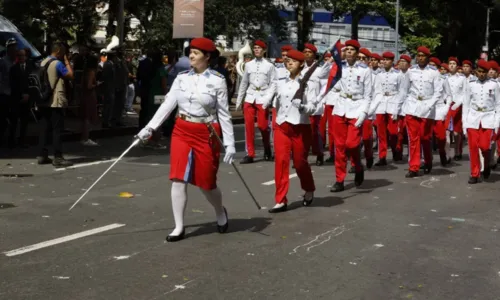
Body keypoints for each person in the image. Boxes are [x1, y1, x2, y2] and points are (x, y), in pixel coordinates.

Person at [136, 37, 236, 242]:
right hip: (182, 130)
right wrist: (150, 127)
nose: (191, 55)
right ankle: (179, 226)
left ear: (207, 57)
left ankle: (219, 211)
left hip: (206, 131)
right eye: (190, 52)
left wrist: (230, 143)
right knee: (178, 178)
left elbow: (224, 114)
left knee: (206, 183)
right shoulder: (181, 78)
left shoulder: (217, 80)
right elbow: (167, 105)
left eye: (196, 53)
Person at [268, 49, 319, 213]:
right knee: (281, 163)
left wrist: (303, 107)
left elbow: (313, 106)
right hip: (282, 126)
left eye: (293, 61)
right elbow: (277, 101)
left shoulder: (308, 82)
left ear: (301, 64)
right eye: (287, 60)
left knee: (300, 163)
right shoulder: (281, 80)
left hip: (300, 126)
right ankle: (280, 199)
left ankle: (308, 187)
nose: (289, 63)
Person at [330, 40, 372, 192]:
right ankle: (339, 179)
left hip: (356, 108)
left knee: (352, 144)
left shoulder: (365, 71)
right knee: (339, 146)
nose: (348, 51)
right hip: (341, 107)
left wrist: (364, 113)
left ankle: (358, 165)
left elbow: (368, 95)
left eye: (351, 49)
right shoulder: (338, 66)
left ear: (356, 52)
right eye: (346, 49)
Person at [401, 46, 442, 178]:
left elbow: (438, 92)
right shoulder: (410, 71)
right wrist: (401, 107)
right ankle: (413, 167)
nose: (420, 58)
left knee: (425, 137)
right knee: (413, 138)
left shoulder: (434, 72)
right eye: (418, 55)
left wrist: (430, 105)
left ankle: (428, 161)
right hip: (412, 106)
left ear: (427, 57)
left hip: (427, 106)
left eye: (423, 55)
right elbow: (404, 89)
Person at [236, 40, 276, 164]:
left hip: (263, 96)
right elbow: (244, 83)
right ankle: (250, 154)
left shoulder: (269, 66)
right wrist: (239, 100)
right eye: (255, 48)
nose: (257, 50)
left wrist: (268, 99)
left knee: (263, 126)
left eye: (259, 48)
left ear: (264, 50)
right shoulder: (249, 65)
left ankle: (267, 148)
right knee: (248, 127)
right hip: (250, 96)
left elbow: (273, 84)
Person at [463, 59, 500, 184]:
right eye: (480, 71)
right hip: (473, 118)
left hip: (488, 117)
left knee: (484, 146)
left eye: (484, 72)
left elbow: (498, 105)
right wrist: (465, 122)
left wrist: (496, 123)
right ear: (476, 71)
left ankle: (488, 160)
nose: (482, 74)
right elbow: (466, 104)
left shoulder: (494, 84)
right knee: (473, 147)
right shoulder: (471, 84)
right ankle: (475, 174)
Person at [37, 42, 74, 167]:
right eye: (63, 51)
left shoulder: (42, 62)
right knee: (57, 129)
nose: (64, 54)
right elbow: (70, 75)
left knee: (44, 128)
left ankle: (42, 155)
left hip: (43, 99)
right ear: (58, 51)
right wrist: (67, 62)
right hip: (55, 100)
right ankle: (58, 157)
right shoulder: (57, 64)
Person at [369, 51, 407, 165]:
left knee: (393, 132)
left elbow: (402, 92)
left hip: (393, 102)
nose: (384, 62)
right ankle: (382, 156)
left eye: (387, 60)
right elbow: (376, 91)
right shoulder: (378, 75)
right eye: (383, 60)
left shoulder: (398, 74)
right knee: (381, 132)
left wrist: (398, 107)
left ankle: (396, 150)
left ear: (392, 61)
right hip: (381, 103)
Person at [8, 49, 32, 148]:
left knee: (24, 120)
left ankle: (22, 140)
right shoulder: (13, 68)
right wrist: (22, 94)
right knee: (14, 120)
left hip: (28, 98)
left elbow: (32, 81)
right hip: (16, 98)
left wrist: (28, 94)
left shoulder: (30, 68)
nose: (21, 57)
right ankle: (11, 141)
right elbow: (13, 84)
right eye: (19, 55)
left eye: (23, 55)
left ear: (26, 57)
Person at [445, 57, 467, 161]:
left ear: (457, 66)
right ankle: (447, 153)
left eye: (454, 63)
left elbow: (464, 93)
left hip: (458, 105)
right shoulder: (444, 78)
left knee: (456, 132)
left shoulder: (462, 78)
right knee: (447, 130)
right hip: (447, 105)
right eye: (450, 63)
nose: (452, 65)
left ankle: (458, 151)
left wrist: (458, 103)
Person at [79, 55, 100, 146]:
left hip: (84, 95)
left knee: (85, 117)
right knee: (88, 117)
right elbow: (89, 86)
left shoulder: (85, 71)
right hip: (89, 95)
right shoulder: (91, 72)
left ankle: (84, 137)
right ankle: (86, 137)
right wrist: (97, 84)